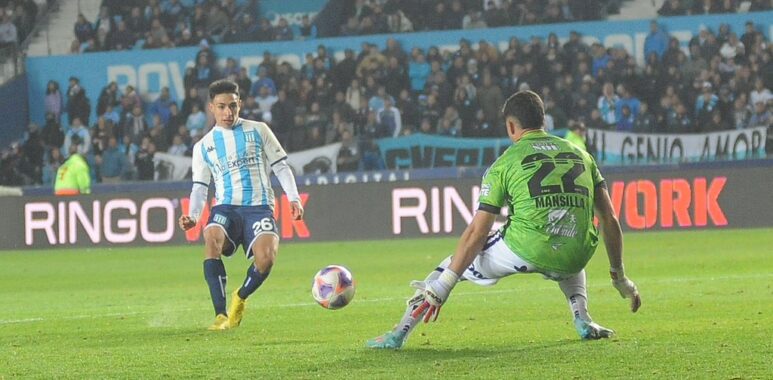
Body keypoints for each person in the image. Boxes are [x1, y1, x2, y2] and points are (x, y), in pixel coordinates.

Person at [367, 91, 641, 349]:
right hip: (577, 253)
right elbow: (609, 218)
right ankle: (582, 318)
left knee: (447, 268)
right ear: (542, 120)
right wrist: (620, 278)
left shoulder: (505, 163)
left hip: (526, 248)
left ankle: (397, 334)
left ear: (511, 126)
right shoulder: (582, 155)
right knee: (566, 239)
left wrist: (445, 284)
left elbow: (478, 232)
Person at [178, 80, 304, 331]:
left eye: (233, 106)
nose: (228, 113)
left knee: (266, 259)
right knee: (211, 237)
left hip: (259, 207)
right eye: (222, 107)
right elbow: (200, 188)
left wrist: (294, 198)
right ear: (211, 107)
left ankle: (241, 296)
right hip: (225, 208)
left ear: (240, 104)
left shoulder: (259, 130)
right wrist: (193, 215)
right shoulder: (203, 146)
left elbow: (280, 166)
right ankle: (220, 314)